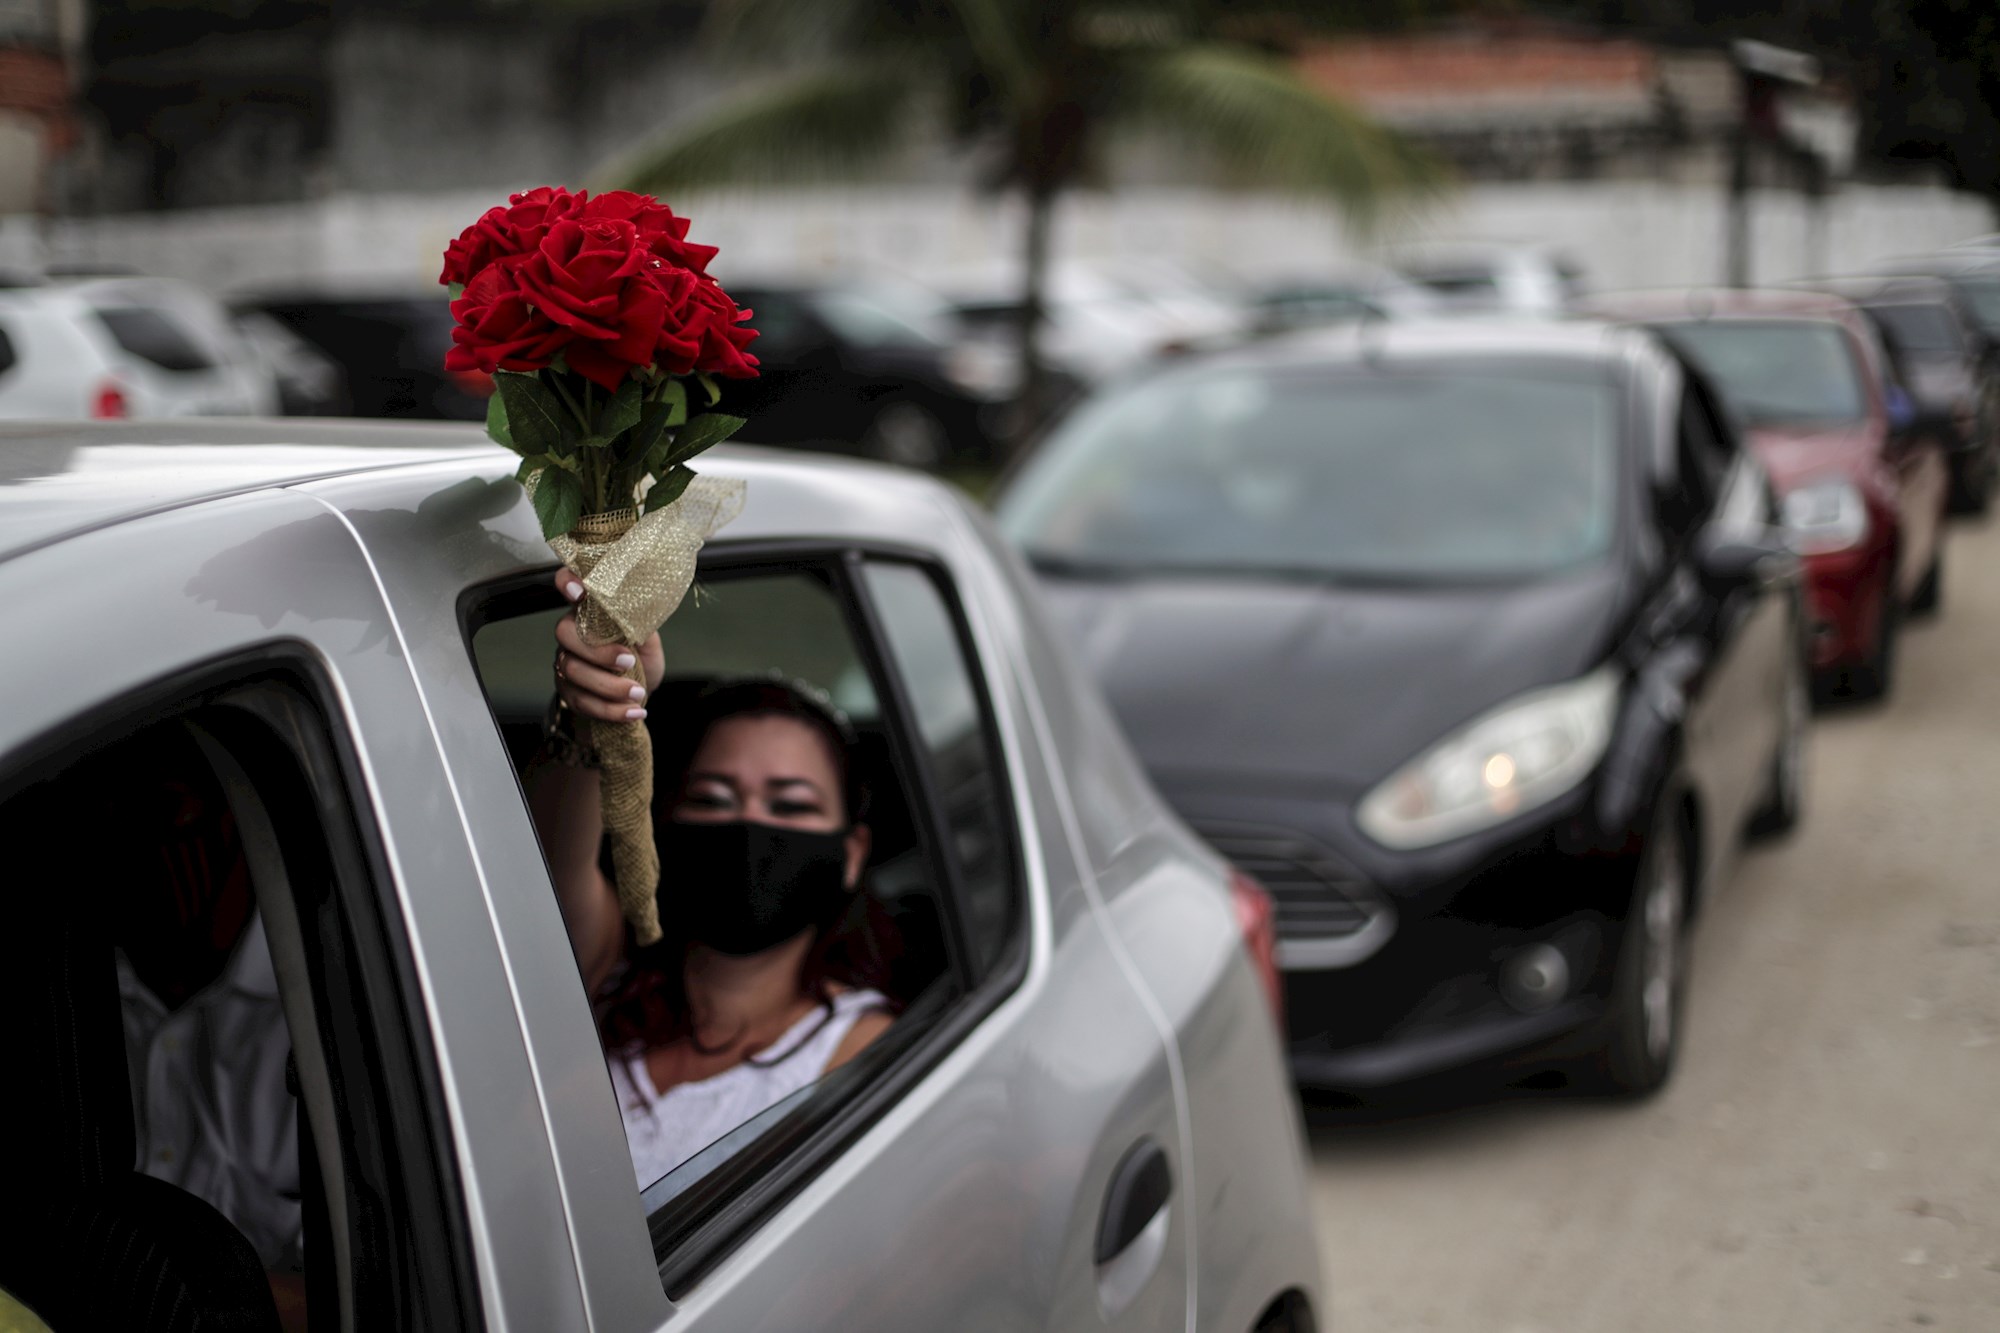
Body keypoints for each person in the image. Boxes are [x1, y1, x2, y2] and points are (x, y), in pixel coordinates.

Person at [530, 568, 899, 1186]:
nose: (750, 828)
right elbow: (549, 865)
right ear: (665, 821)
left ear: (853, 853)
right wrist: (596, 718)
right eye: (714, 799)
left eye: (791, 807)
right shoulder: (598, 969)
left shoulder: (860, 1052)